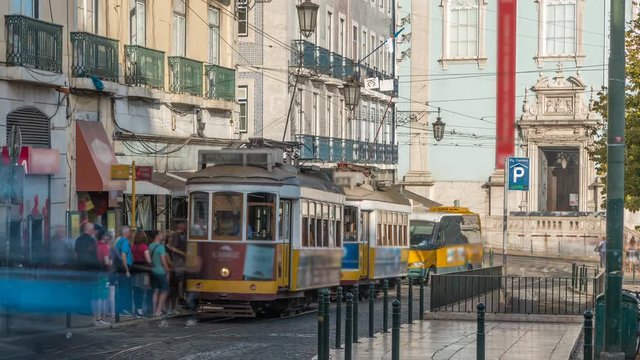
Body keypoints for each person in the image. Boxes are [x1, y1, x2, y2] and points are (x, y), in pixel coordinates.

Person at [149, 231, 170, 321]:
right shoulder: (161, 247)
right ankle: (158, 310)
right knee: (165, 290)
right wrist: (167, 270)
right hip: (161, 271)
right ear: (157, 236)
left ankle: (153, 311)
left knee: (155, 291)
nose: (162, 236)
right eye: (161, 234)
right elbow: (163, 260)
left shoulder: (150, 246)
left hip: (152, 270)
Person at [167, 223, 187, 313]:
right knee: (180, 278)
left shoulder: (184, 235)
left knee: (181, 279)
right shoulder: (176, 235)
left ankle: (181, 297)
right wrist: (183, 254)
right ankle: (181, 297)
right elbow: (173, 248)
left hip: (181, 260)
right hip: (178, 260)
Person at [113, 227, 134, 316]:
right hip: (124, 267)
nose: (131, 234)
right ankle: (123, 309)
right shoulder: (125, 241)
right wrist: (127, 269)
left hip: (118, 268)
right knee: (125, 289)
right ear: (127, 233)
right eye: (130, 232)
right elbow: (123, 255)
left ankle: (120, 308)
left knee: (121, 289)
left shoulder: (118, 241)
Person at [131, 230, 152, 318]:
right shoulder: (144, 247)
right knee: (145, 290)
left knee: (136, 291)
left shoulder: (133, 247)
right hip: (144, 270)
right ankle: (144, 310)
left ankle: (137, 310)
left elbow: (132, 258)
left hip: (135, 268)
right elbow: (148, 260)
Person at [95, 229, 112, 326]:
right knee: (102, 296)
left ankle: (96, 318)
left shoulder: (95, 245)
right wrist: (111, 261)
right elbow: (106, 262)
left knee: (96, 296)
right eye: (106, 235)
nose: (107, 237)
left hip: (95, 272)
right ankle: (100, 318)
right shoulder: (104, 247)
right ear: (103, 236)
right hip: (103, 273)